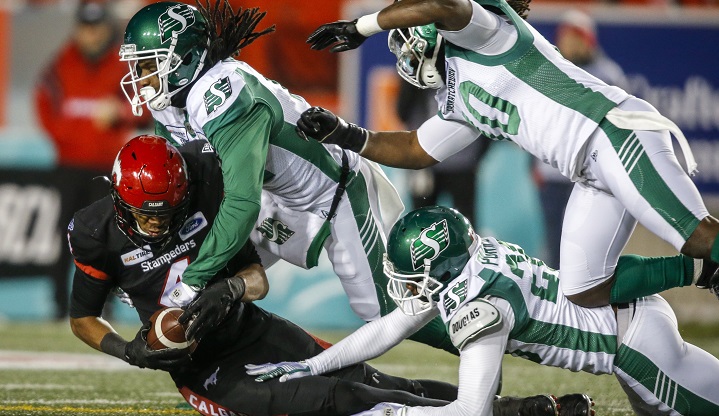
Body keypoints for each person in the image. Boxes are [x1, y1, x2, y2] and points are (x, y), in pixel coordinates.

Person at [68, 136, 575, 416]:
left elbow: (256, 277)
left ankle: (505, 410)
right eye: (145, 215)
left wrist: (228, 288)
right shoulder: (94, 232)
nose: (157, 223)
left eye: (167, 211)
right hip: (207, 371)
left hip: (251, 326)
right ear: (117, 198)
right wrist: (125, 349)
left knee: (369, 380)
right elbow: (83, 318)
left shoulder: (203, 188)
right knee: (339, 401)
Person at [293, 0, 719, 308]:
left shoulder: (489, 33)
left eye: (403, 39)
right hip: (588, 172)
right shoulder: (455, 97)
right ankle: (704, 274)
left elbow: (441, 4)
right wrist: (343, 133)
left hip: (612, 134)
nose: (402, 50)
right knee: (584, 287)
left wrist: (363, 26)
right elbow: (416, 148)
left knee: (698, 236)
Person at [117, 1, 459, 354]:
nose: (140, 75)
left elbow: (240, 202)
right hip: (273, 196)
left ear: (184, 59)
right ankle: (243, 376)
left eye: (148, 63)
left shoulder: (222, 94)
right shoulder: (169, 101)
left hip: (332, 192)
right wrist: (157, 262)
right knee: (211, 279)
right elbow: (189, 185)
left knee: (382, 310)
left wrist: (187, 280)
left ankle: (480, 334)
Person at [247, 206, 719, 416]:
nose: (406, 287)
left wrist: (393, 414)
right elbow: (392, 324)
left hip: (635, 346)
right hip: (630, 323)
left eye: (412, 275)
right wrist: (312, 364)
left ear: (438, 266)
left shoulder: (480, 304)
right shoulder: (474, 262)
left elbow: (471, 410)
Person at [34, 0, 151, 319]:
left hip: (105, 167)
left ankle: (105, 307)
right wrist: (69, 138)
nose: (91, 34)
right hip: (69, 165)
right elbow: (44, 103)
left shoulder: (122, 65)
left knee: (106, 239)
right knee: (63, 237)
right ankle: (59, 306)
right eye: (86, 27)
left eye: (96, 27)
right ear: (77, 28)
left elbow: (145, 107)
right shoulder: (61, 64)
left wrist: (120, 114)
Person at [533, 8, 628, 268]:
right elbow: (536, 120)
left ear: (587, 40)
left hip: (591, 172)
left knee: (589, 245)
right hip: (554, 172)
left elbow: (618, 126)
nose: (567, 42)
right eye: (564, 37)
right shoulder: (551, 69)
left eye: (573, 37)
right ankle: (557, 301)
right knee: (555, 243)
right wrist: (532, 164)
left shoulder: (608, 75)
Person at [396, 81, 490, 224]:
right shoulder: (419, 73)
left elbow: (485, 117)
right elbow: (402, 111)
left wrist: (477, 156)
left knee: (465, 225)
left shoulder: (468, 70)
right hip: (427, 163)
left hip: (460, 164)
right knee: (421, 224)